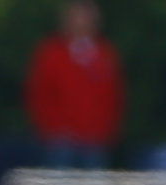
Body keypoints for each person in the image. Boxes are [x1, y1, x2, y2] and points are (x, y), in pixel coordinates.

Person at [24, 0, 124, 171]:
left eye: (86, 17)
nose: (81, 22)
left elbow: (114, 96)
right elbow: (38, 94)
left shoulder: (105, 54)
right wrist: (53, 129)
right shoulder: (51, 53)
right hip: (60, 141)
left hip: (95, 141)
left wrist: (105, 130)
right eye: (77, 16)